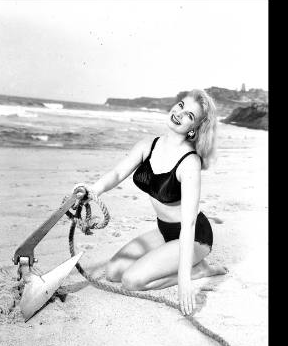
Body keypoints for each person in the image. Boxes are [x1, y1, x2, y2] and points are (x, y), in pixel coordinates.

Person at [74, 89, 228, 316]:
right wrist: (92, 190)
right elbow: (117, 174)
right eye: (180, 105)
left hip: (193, 237)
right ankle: (179, 264)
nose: (179, 113)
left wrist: (184, 280)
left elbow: (188, 225)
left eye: (189, 115)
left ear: (194, 128)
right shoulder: (149, 145)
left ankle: (199, 270)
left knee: (131, 281)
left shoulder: (189, 162)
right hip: (164, 230)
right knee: (114, 272)